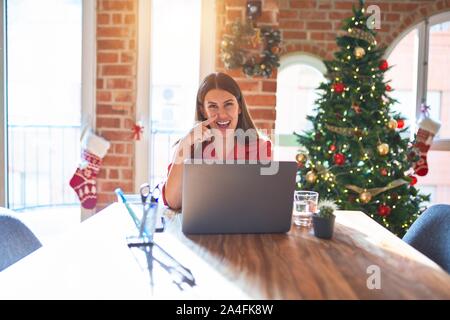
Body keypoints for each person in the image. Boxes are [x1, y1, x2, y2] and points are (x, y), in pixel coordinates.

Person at [162, 72, 272, 210]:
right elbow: (174, 201)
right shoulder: (189, 146)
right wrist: (184, 144)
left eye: (228, 104)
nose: (222, 115)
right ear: (203, 111)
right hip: (200, 227)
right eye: (213, 106)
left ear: (239, 107)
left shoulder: (260, 147)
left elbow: (264, 201)